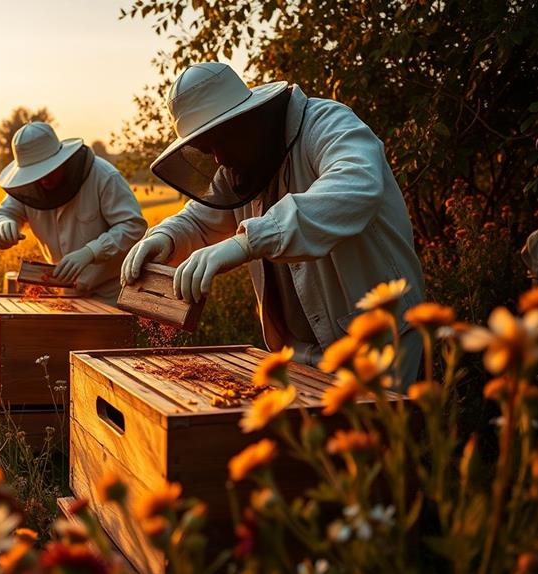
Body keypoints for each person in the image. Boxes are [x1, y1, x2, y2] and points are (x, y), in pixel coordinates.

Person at [121, 62, 425, 383]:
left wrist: (249, 241)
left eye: (221, 141)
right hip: (297, 356)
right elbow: (199, 220)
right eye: (206, 149)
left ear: (250, 118)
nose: (219, 159)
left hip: (378, 347)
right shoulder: (239, 166)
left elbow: (355, 183)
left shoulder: (328, 123)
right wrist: (165, 237)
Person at [0, 122, 147, 301]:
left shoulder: (104, 176)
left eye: (48, 169)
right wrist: (0, 226)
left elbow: (133, 225)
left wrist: (91, 252)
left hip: (111, 293)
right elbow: (1, 214)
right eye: (35, 174)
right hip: (63, 295)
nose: (43, 178)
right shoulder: (28, 188)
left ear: (62, 158)